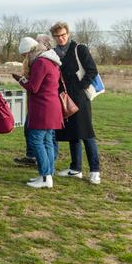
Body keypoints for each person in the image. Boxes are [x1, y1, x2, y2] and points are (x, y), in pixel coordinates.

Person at [51, 22, 101, 184]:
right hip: (63, 98)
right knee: (73, 134)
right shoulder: (53, 53)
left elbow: (92, 70)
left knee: (87, 134)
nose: (61, 38)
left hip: (80, 97)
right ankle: (76, 168)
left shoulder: (79, 49)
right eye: (57, 36)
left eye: (63, 35)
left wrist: (80, 87)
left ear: (68, 34)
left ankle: (95, 170)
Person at [13, 36, 64, 188]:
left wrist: (21, 80)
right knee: (47, 141)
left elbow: (33, 88)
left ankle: (45, 176)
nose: (24, 58)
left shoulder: (40, 62)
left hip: (43, 108)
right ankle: (48, 175)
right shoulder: (51, 61)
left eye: (24, 55)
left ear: (29, 52)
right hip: (52, 107)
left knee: (36, 140)